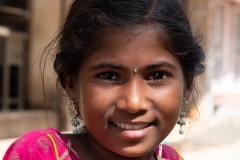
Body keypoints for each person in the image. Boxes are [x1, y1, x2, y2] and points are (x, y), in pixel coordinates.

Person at [3, 0, 205, 159]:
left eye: (157, 75)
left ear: (187, 84)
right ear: (72, 84)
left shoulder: (171, 158)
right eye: (109, 76)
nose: (134, 103)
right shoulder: (39, 154)